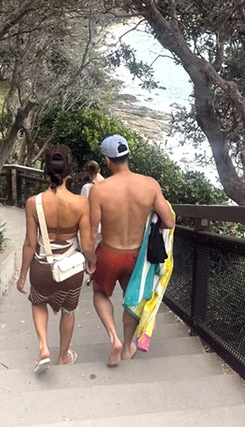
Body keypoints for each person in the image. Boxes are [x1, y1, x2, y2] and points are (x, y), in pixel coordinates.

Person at [87, 134, 175, 366]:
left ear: (107, 161)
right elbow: (169, 222)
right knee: (133, 301)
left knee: (100, 293)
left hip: (109, 253)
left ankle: (113, 338)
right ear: (128, 155)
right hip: (138, 258)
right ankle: (127, 346)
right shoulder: (150, 185)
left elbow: (90, 230)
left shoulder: (99, 190)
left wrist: (90, 258)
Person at [16, 144, 97, 373]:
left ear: (46, 170)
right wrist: (92, 262)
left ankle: (43, 348)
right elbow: (88, 243)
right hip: (71, 271)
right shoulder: (81, 203)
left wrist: (22, 275)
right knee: (68, 310)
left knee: (38, 302)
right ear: (69, 170)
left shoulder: (33, 203)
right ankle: (63, 356)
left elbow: (30, 243)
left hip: (42, 268)